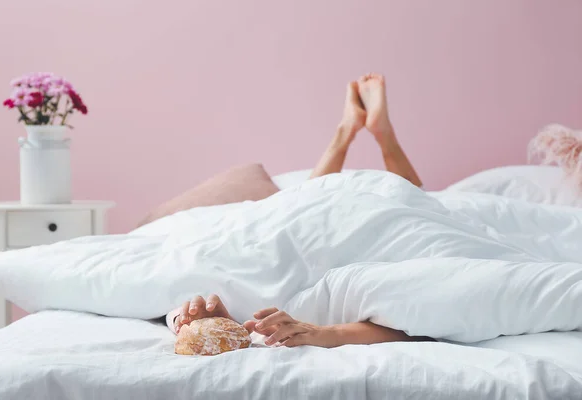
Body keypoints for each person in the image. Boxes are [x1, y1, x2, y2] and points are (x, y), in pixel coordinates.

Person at [165, 74, 430, 348]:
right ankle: (366, 135)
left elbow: (430, 308)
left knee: (406, 212)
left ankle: (355, 134)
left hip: (363, 224)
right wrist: (221, 321)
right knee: (309, 208)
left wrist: (329, 333)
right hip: (304, 224)